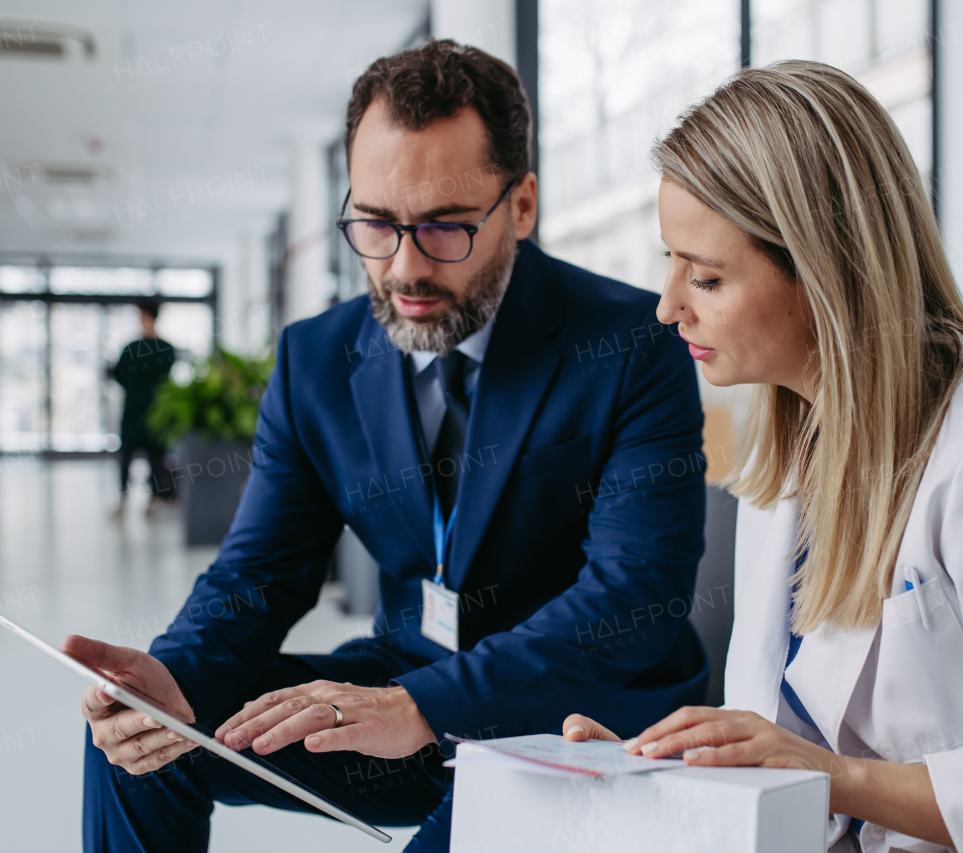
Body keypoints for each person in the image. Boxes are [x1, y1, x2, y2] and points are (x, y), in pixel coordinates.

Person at [66, 40, 708, 853]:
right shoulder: (315, 360)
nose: (404, 268)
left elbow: (631, 599)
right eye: (374, 223)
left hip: (583, 718)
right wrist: (176, 677)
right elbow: (260, 570)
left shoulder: (629, 343)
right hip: (401, 683)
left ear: (521, 205)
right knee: (142, 745)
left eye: (444, 226)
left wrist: (426, 707)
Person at [563, 61, 963, 851]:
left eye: (706, 275)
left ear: (825, 272)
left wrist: (838, 776)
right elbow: (783, 753)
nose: (668, 306)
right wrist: (662, 777)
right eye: (671, 263)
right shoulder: (796, 453)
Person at [110, 298, 176, 518]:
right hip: (134, 412)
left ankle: (153, 500)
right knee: (126, 458)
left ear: (149, 317)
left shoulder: (163, 348)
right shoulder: (134, 348)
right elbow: (119, 374)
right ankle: (123, 501)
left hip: (155, 414)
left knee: (155, 459)